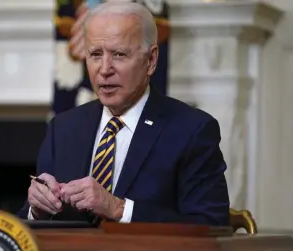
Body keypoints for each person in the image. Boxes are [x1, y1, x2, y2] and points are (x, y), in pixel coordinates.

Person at [17, 1, 230, 226]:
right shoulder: (63, 128)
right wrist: (37, 209)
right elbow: (27, 226)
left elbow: (211, 226)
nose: (105, 69)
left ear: (151, 60)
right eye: (95, 55)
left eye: (119, 54)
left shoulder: (192, 130)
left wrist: (118, 208)